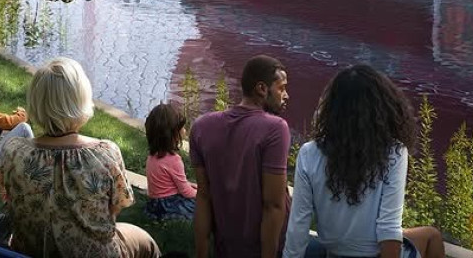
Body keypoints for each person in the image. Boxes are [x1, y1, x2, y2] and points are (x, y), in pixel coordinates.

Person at [0, 56, 158, 258]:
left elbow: (8, 200)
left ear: (36, 103)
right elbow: (113, 211)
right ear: (81, 100)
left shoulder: (13, 151)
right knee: (146, 242)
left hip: (30, 251)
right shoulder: (105, 153)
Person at [284, 65, 445, 258]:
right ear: (384, 108)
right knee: (432, 236)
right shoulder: (394, 153)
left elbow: (298, 224)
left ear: (332, 109)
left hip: (334, 252)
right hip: (376, 252)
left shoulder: (309, 153)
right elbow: (389, 228)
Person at [189, 54, 290, 258]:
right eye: (281, 88)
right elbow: (273, 206)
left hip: (225, 248)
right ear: (262, 88)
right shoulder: (275, 129)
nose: (286, 95)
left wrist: (201, 254)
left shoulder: (201, 127)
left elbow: (203, 195)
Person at [145, 100, 196, 223]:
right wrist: (203, 194)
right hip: (169, 205)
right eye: (182, 127)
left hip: (154, 204)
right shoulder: (174, 160)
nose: (185, 130)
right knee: (204, 205)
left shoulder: (152, 156)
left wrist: (192, 186)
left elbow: (173, 184)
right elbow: (187, 192)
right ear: (172, 133)